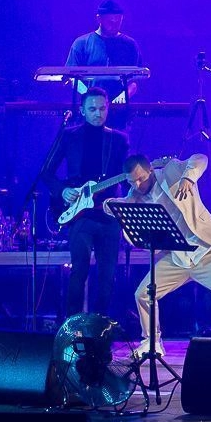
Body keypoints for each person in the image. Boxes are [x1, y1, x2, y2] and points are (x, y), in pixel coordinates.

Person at [116, 153, 211, 358]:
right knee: (142, 293)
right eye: (132, 182)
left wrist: (188, 177)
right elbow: (124, 214)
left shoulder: (171, 171)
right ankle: (152, 342)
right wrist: (112, 206)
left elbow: (200, 158)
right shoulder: (135, 195)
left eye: (141, 179)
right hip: (177, 258)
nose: (138, 185)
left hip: (205, 250)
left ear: (150, 170)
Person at [41, 88, 129, 318]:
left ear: (108, 108)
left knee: (107, 276)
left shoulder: (119, 139)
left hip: (109, 215)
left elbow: (127, 176)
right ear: (82, 110)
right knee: (79, 271)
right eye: (92, 109)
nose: (98, 113)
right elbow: (46, 172)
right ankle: (72, 326)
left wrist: (136, 183)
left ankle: (100, 327)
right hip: (80, 215)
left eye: (102, 108)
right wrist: (63, 191)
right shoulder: (69, 136)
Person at [65, 0, 143, 112]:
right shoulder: (81, 43)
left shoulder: (130, 45)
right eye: (110, 22)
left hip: (119, 110)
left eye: (118, 22)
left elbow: (137, 79)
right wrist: (89, 95)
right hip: (90, 108)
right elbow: (71, 77)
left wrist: (124, 96)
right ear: (99, 19)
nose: (114, 25)